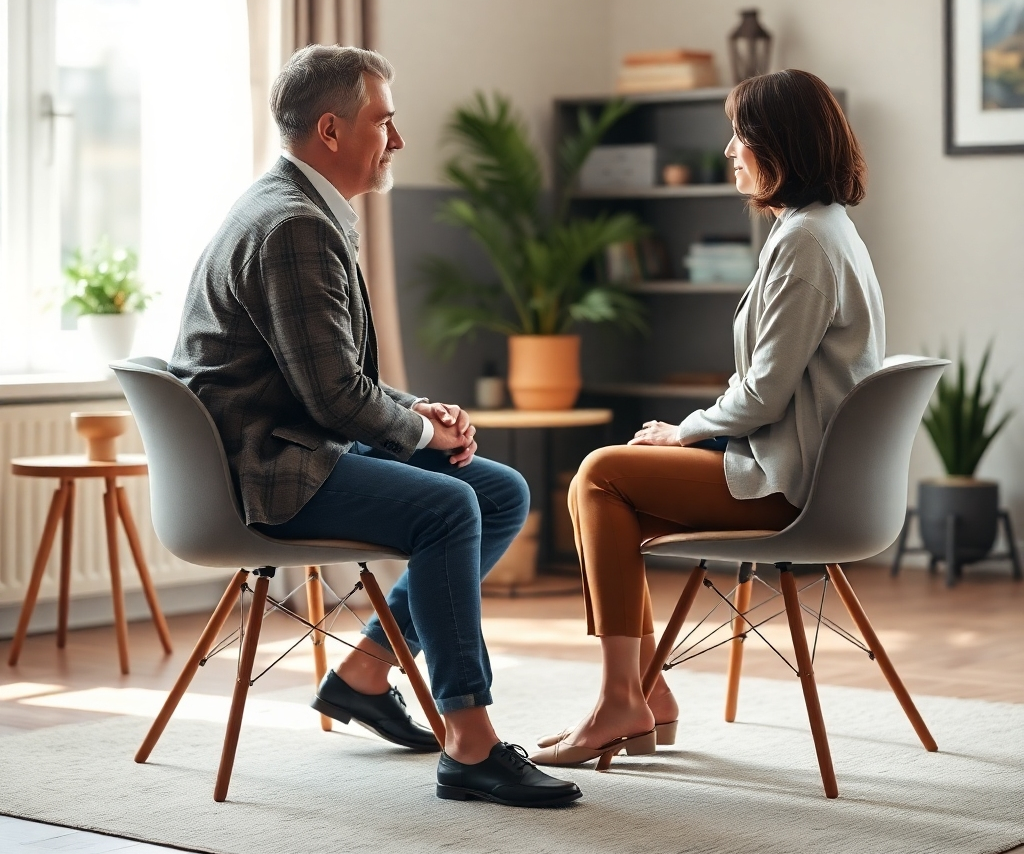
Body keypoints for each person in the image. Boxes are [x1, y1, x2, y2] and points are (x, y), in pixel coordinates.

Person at [170, 44, 581, 808]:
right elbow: (330, 397)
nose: (398, 140)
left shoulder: (297, 205)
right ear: (332, 130)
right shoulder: (294, 224)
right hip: (267, 467)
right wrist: (424, 435)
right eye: (384, 122)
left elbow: (325, 377)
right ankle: (472, 743)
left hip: (291, 437)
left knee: (498, 492)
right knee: (450, 503)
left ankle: (364, 672)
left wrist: (417, 414)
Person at [531, 69, 884, 767]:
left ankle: (623, 700)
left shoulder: (807, 243)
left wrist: (682, 430)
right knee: (608, 492)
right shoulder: (823, 231)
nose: (729, 150)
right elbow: (767, 387)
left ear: (780, 146)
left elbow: (761, 396)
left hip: (791, 485)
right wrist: (690, 433)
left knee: (601, 474)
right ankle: (642, 694)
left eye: (740, 134)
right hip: (811, 471)